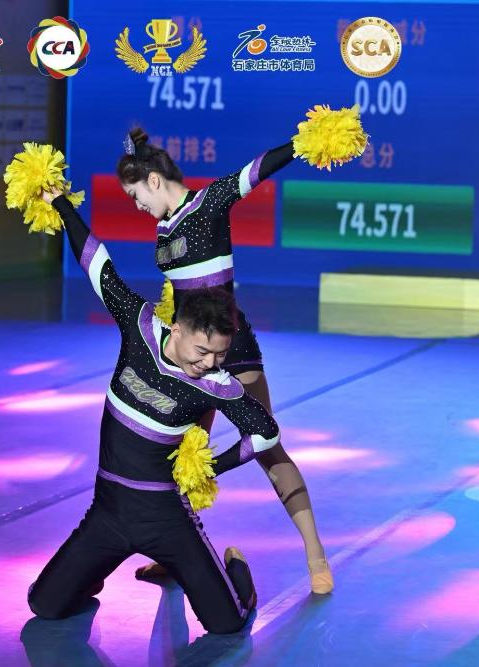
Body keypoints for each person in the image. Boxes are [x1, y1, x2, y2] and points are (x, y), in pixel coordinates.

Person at [27, 186, 281, 634]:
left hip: (167, 520)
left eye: (220, 355)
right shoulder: (139, 326)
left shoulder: (216, 385)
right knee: (44, 605)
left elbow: (266, 432)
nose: (211, 363)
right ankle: (89, 573)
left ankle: (236, 572)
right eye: (203, 351)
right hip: (108, 512)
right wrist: (61, 203)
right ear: (177, 328)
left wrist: (210, 469)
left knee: (226, 624)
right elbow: (97, 264)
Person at [118, 128, 332, 594]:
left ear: (154, 180)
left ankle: (316, 553)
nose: (136, 206)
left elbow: (255, 170)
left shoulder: (207, 204)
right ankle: (177, 553)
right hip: (190, 358)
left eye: (135, 196)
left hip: (232, 347)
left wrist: (304, 143)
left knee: (267, 445)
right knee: (181, 456)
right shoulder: (163, 229)